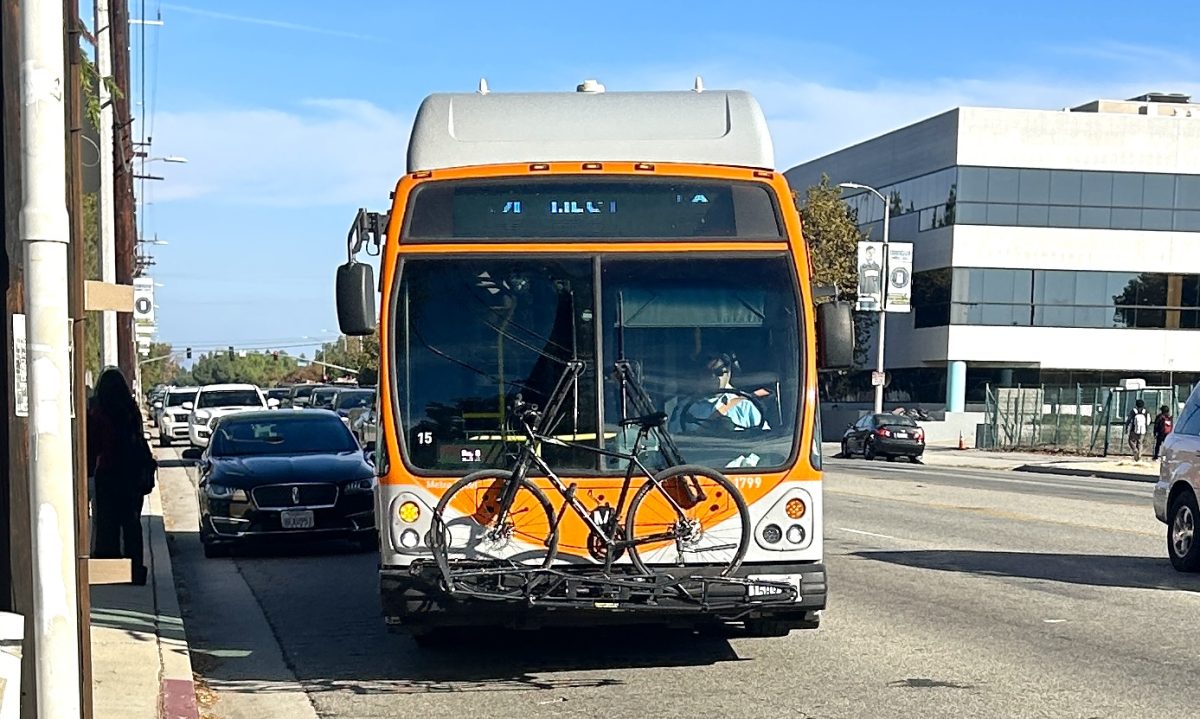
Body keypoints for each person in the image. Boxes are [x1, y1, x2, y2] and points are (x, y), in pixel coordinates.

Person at [88, 367, 150, 585]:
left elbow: (93, 445)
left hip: (108, 472)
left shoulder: (98, 412)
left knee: (107, 524)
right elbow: (139, 438)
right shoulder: (131, 410)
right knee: (132, 523)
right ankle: (135, 571)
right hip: (132, 474)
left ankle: (110, 570)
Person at [673, 353, 769, 432]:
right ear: (700, 375)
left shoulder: (745, 406)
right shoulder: (683, 410)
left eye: (719, 372)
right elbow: (674, 443)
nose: (713, 377)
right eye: (707, 373)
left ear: (729, 374)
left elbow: (766, 445)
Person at [1126, 398, 1150, 463]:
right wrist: (1146, 428)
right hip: (1143, 430)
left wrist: (1127, 427)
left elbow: (1129, 419)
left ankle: (1135, 450)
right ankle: (1139, 455)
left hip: (1134, 429)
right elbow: (1148, 421)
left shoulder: (1133, 411)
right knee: (1140, 442)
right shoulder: (1145, 411)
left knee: (1131, 440)